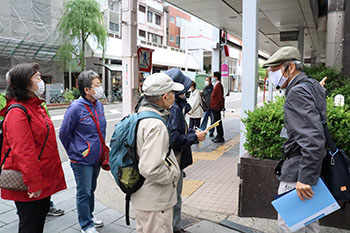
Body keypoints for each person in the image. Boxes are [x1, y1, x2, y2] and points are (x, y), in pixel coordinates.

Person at [263, 46, 327, 233]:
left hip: (299, 170)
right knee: (308, 222)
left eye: (274, 70)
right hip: (309, 166)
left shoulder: (297, 92)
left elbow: (313, 138)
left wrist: (305, 178)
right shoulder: (311, 85)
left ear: (290, 68)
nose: (271, 75)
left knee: (291, 224)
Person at [0, 63, 66, 233]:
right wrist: (34, 184)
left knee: (38, 222)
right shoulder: (17, 112)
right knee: (30, 225)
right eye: (36, 76)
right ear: (24, 83)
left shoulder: (35, 106)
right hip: (28, 181)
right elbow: (24, 152)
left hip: (42, 175)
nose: (41, 80)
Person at [132, 73, 182, 233]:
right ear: (165, 97)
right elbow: (149, 168)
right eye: (173, 93)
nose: (175, 96)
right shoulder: (156, 125)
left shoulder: (139, 116)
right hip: (155, 201)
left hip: (142, 196)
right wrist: (174, 173)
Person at [59, 70, 106, 233]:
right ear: (87, 90)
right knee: (83, 191)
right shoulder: (75, 108)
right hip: (82, 159)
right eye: (97, 85)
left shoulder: (98, 105)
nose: (100, 88)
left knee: (91, 189)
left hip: (97, 157)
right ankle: (86, 224)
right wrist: (76, 152)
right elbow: (64, 133)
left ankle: (90, 216)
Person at [165, 68, 207, 233]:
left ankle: (174, 226)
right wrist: (194, 138)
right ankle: (175, 228)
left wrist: (192, 133)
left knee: (174, 196)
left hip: (171, 158)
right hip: (174, 158)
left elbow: (177, 132)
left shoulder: (174, 105)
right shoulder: (174, 108)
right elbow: (175, 140)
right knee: (175, 196)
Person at [210, 71, 225, 143]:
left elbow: (220, 97)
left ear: (216, 77)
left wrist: (222, 106)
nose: (212, 77)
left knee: (218, 122)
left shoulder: (219, 85)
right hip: (214, 106)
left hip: (216, 107)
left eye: (212, 76)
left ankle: (220, 136)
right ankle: (219, 135)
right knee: (216, 121)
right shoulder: (215, 85)